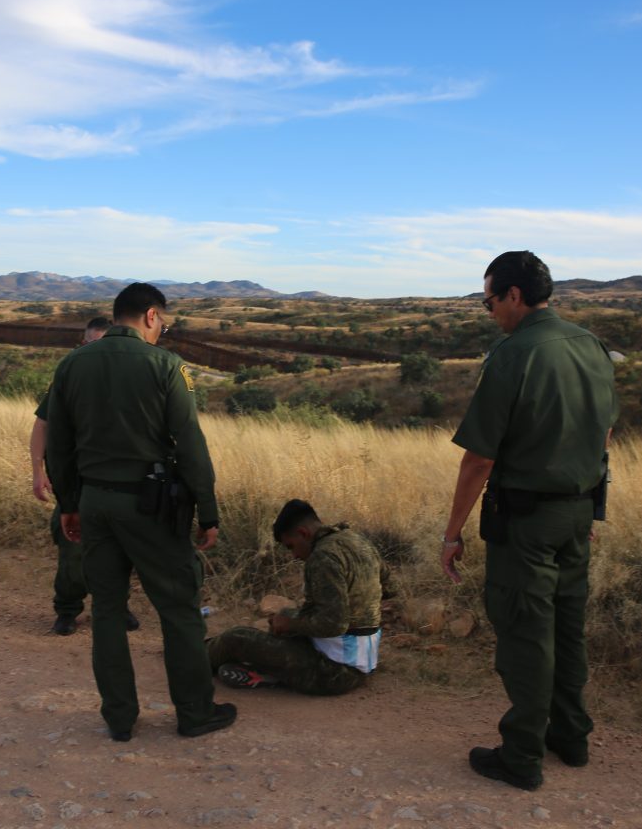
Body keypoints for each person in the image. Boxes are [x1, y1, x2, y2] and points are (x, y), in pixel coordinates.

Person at [440, 250, 617, 791]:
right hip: (577, 513)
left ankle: (521, 755)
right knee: (567, 633)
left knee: (526, 638)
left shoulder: (513, 355)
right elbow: (604, 436)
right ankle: (571, 736)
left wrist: (452, 533)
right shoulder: (592, 346)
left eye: (490, 300)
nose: (489, 311)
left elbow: (480, 459)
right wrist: (593, 507)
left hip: (526, 522)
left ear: (514, 295)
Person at [44, 282, 235, 741]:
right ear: (151, 315)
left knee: (107, 611)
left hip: (94, 503)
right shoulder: (166, 366)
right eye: (163, 323)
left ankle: (119, 718)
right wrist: (207, 512)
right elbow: (191, 445)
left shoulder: (71, 365)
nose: (162, 331)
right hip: (151, 507)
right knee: (179, 609)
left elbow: (58, 447)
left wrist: (69, 505)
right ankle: (194, 713)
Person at [206, 498, 389, 694]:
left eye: (291, 546)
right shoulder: (355, 540)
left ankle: (191, 659)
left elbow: (335, 623)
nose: (294, 556)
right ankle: (265, 672)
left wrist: (290, 624)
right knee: (287, 614)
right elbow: (389, 587)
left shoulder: (322, 557)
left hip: (335, 673)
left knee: (237, 637)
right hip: (364, 661)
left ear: (303, 533)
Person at [31, 316, 139, 636]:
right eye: (90, 345)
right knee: (74, 550)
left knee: (120, 551)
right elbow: (42, 426)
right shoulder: (69, 378)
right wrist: (38, 471)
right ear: (82, 345)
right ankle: (67, 610)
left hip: (121, 482)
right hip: (78, 482)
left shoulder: (132, 381)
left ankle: (116, 606)